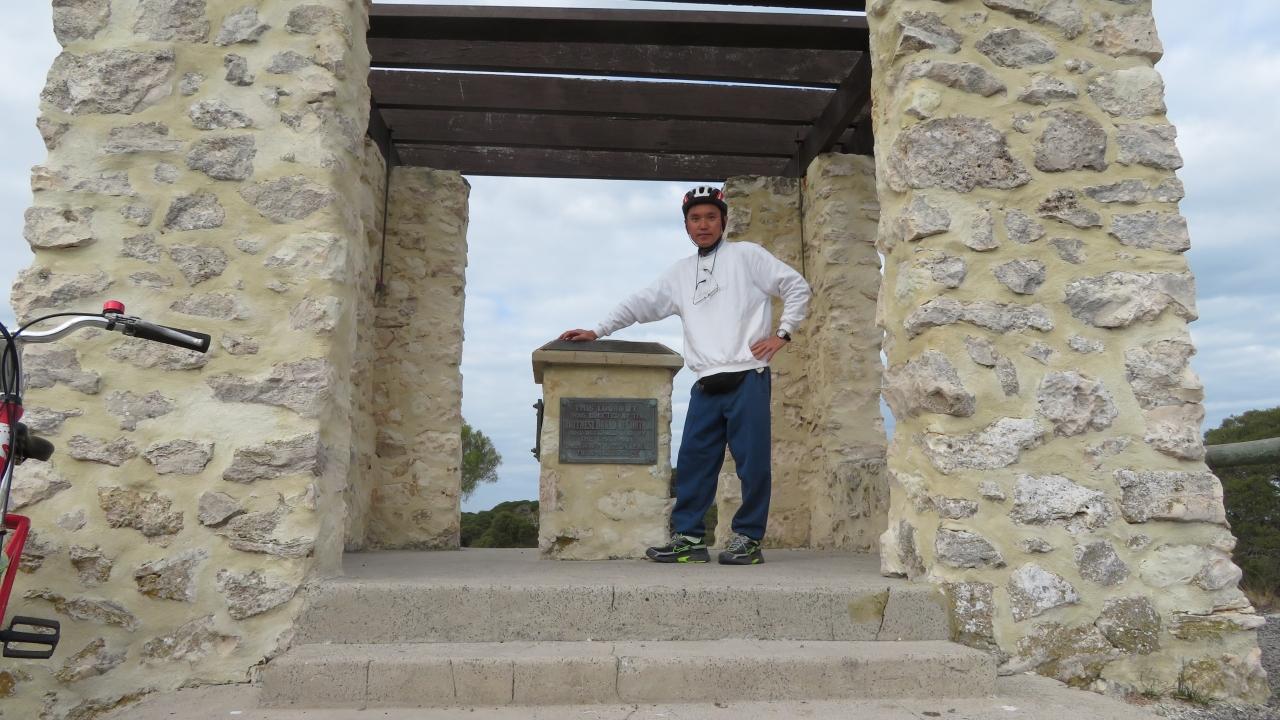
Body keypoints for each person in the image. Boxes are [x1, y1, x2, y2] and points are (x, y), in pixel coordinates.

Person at [559, 186, 811, 565]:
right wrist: (598, 330)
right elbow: (640, 303)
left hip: (747, 375)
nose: (703, 225)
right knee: (694, 461)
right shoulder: (680, 273)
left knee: (752, 463)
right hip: (706, 382)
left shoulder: (747, 256)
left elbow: (796, 286)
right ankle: (689, 539)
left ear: (723, 221)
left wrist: (783, 334)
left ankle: (748, 538)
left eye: (710, 217)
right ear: (686, 226)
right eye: (695, 219)